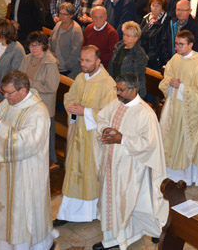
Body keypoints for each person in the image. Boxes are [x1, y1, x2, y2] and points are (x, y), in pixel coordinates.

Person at [0, 70, 56, 249]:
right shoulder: (8, 103)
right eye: (4, 92)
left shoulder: (38, 112)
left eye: (9, 93)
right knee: (9, 213)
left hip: (26, 172)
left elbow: (25, 144)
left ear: (23, 90)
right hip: (7, 170)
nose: (5, 96)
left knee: (24, 215)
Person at [93, 73, 168, 250]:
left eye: (121, 89)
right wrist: (104, 129)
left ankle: (119, 239)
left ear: (133, 90)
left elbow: (149, 144)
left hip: (132, 168)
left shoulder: (145, 113)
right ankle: (114, 237)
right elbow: (102, 118)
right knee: (117, 201)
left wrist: (123, 139)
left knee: (129, 202)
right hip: (112, 164)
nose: (118, 93)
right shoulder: (116, 104)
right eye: (117, 89)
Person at [54, 45, 117, 227]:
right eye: (82, 60)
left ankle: (90, 211)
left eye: (88, 60)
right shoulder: (81, 78)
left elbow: (109, 114)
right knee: (73, 172)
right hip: (77, 135)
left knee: (90, 175)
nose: (83, 64)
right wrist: (73, 108)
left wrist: (86, 112)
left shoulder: (107, 84)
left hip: (93, 140)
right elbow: (69, 96)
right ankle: (67, 211)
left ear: (98, 61)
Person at [158, 30, 198, 186]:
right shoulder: (175, 59)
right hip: (173, 107)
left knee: (182, 141)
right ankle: (168, 172)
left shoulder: (197, 65)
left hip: (187, 111)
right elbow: (167, 76)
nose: (177, 48)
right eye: (176, 44)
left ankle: (184, 176)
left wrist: (181, 87)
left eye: (181, 44)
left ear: (190, 45)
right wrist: (170, 82)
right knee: (169, 137)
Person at [19, 31, 60, 171]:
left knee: (45, 137)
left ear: (44, 45)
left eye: (37, 45)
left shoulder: (50, 63)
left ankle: (50, 161)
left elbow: (52, 87)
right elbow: (20, 76)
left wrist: (33, 83)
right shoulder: (27, 59)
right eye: (31, 45)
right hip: (28, 103)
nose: (33, 49)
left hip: (44, 106)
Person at [107, 22, 147, 98]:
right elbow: (111, 66)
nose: (124, 37)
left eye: (128, 36)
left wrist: (136, 95)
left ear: (136, 38)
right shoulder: (119, 47)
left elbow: (138, 76)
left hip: (128, 90)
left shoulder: (139, 53)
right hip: (114, 86)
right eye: (124, 34)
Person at [0, 19, 25, 99]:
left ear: (5, 33)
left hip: (9, 92)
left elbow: (16, 75)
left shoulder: (17, 49)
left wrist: (2, 89)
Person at [49, 2, 83, 79]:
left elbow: (76, 53)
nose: (62, 16)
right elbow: (51, 40)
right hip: (55, 66)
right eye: (60, 14)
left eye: (65, 14)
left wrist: (65, 65)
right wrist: (51, 52)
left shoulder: (76, 30)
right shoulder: (58, 25)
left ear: (71, 15)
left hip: (68, 70)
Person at [140, 0, 171, 71]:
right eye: (153, 5)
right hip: (142, 56)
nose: (154, 8)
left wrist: (149, 56)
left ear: (163, 8)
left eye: (157, 6)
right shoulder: (146, 18)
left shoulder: (166, 22)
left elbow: (162, 44)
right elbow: (139, 36)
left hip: (156, 61)